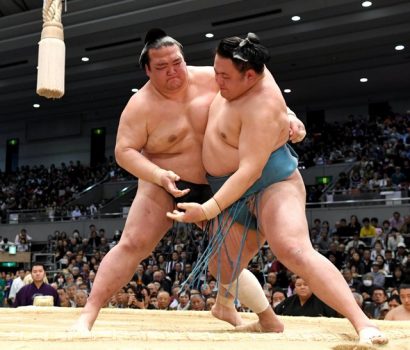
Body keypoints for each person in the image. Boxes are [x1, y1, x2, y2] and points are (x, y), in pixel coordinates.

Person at [72, 28, 306, 332]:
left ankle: (247, 312)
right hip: (163, 182)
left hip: (215, 182)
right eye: (162, 67)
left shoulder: (213, 76)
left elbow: (260, 93)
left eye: (177, 63)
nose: (173, 72)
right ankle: (88, 315)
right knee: (133, 243)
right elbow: (124, 151)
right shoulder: (139, 106)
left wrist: (289, 115)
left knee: (227, 255)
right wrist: (157, 174)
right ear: (147, 69)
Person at [168, 33, 388, 345]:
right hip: (233, 187)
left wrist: (207, 208)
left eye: (224, 76)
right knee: (221, 266)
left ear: (250, 76)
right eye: (215, 71)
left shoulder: (262, 105)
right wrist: (292, 116)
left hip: (272, 183)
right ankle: (236, 309)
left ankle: (363, 324)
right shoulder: (249, 63)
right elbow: (279, 109)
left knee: (292, 249)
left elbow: (249, 172)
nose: (217, 81)